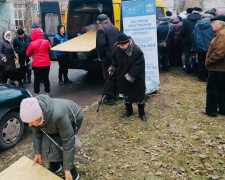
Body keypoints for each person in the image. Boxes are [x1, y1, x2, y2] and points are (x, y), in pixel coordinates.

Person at [20, 94, 83, 180]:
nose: (29, 125)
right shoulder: (35, 114)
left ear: (38, 117)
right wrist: (37, 153)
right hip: (52, 119)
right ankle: (55, 167)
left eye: (30, 122)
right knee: (47, 142)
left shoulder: (58, 115)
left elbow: (68, 141)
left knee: (59, 145)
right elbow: (37, 135)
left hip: (74, 117)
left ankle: (73, 175)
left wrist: (67, 169)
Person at [108, 33, 147, 122]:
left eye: (123, 45)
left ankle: (142, 113)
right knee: (126, 94)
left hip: (136, 77)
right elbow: (114, 60)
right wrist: (112, 68)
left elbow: (140, 64)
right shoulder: (118, 50)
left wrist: (131, 74)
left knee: (139, 95)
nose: (121, 47)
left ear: (128, 43)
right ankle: (129, 111)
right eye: (120, 45)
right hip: (122, 75)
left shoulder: (136, 50)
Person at [202, 15, 225, 117]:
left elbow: (219, 53)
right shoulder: (221, 33)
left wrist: (208, 62)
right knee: (221, 91)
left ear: (221, 23)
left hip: (217, 68)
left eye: (213, 22)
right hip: (220, 68)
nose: (211, 24)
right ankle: (222, 109)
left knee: (213, 90)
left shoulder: (222, 34)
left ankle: (211, 111)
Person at [96, 14, 119, 105]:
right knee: (115, 75)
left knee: (108, 77)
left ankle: (109, 98)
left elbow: (101, 45)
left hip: (107, 57)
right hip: (116, 56)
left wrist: (101, 56)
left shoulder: (101, 29)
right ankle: (115, 95)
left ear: (99, 23)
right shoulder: (114, 28)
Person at [192, 10, 215, 82]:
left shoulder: (197, 24)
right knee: (210, 61)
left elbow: (193, 34)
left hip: (200, 46)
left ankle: (201, 77)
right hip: (210, 46)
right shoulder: (213, 25)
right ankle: (208, 75)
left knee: (201, 62)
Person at [26, 28, 51, 95]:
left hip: (37, 64)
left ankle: (37, 92)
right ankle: (47, 91)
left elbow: (27, 53)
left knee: (37, 78)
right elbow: (49, 49)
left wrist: (33, 54)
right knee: (46, 77)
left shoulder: (32, 43)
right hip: (46, 63)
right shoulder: (46, 42)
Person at [179, 7, 202, 74]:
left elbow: (181, 32)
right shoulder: (201, 20)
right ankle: (195, 69)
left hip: (187, 40)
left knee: (187, 54)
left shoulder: (185, 20)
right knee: (198, 55)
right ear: (199, 12)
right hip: (198, 41)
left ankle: (187, 69)